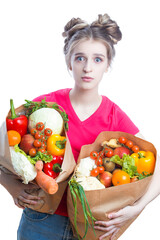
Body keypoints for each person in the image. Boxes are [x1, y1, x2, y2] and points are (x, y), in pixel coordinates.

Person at [0, 13, 160, 240]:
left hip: (90, 224)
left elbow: (157, 162)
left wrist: (136, 209)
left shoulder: (113, 115)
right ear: (68, 61)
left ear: (107, 65)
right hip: (41, 221)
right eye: (80, 58)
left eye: (97, 59)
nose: (87, 68)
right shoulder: (44, 106)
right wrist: (11, 186)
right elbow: (7, 150)